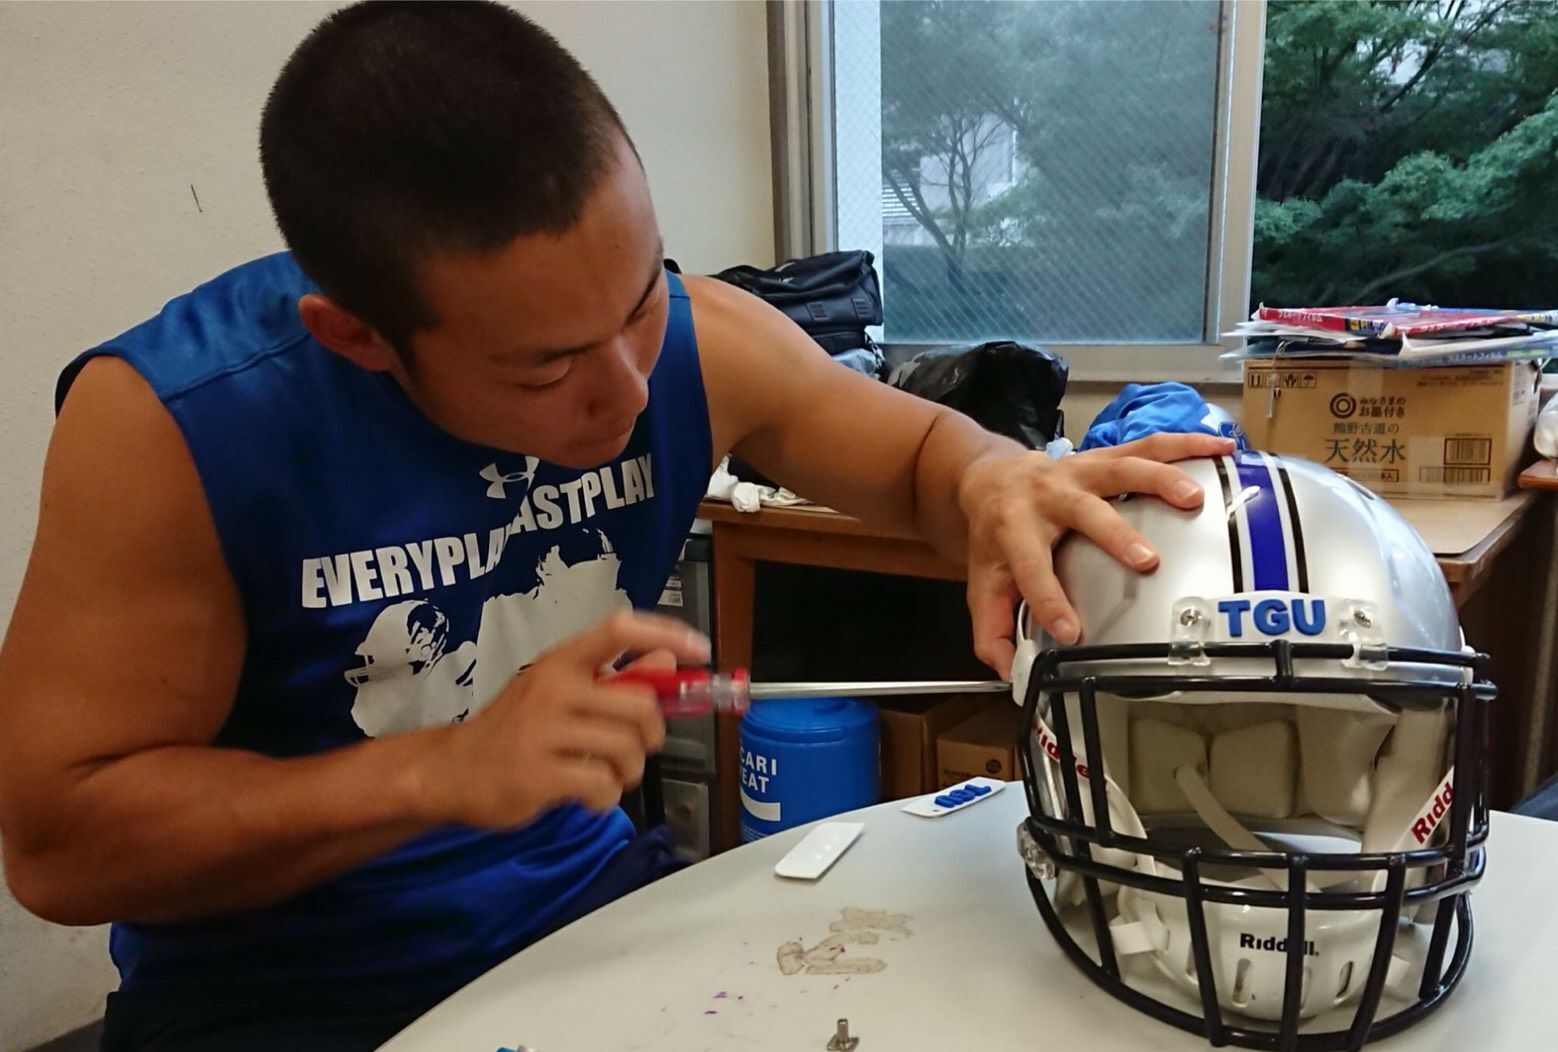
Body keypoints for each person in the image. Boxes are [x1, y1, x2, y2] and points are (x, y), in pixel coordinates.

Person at [0, 3, 1232, 1049]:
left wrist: (992, 478)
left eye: (642, 298)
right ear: (359, 336)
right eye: (544, 366)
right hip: (280, 1001)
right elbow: (60, 846)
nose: (632, 392)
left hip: (587, 917)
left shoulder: (696, 338)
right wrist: (440, 772)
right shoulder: (181, 425)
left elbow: (916, 454)